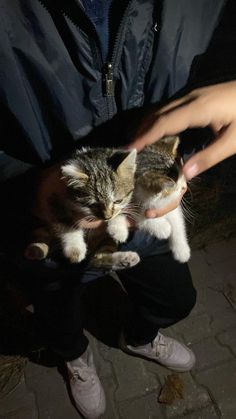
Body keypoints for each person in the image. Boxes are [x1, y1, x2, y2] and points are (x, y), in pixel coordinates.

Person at [0, 1, 235, 418]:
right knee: (58, 312)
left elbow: (221, 49)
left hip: (140, 208)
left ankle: (140, 336)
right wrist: (29, 191)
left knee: (176, 298)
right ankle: (75, 358)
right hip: (40, 220)